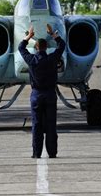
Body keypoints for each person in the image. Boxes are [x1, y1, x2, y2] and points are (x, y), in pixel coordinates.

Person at [18, 24, 66, 158]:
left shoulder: (32, 60)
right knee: (51, 124)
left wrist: (29, 36)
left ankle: (37, 153)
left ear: (36, 47)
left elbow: (21, 48)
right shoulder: (52, 59)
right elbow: (62, 46)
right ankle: (52, 152)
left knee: (37, 125)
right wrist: (53, 35)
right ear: (45, 47)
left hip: (36, 95)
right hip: (50, 94)